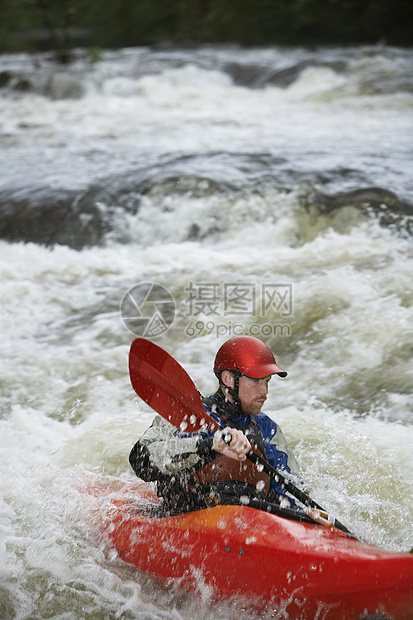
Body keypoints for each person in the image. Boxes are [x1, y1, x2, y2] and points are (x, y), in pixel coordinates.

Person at [129, 335, 300, 515]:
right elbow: (141, 462)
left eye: (267, 382)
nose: (265, 391)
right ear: (228, 379)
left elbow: (292, 489)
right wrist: (209, 445)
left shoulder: (267, 429)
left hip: (252, 520)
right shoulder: (189, 416)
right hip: (187, 515)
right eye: (257, 381)